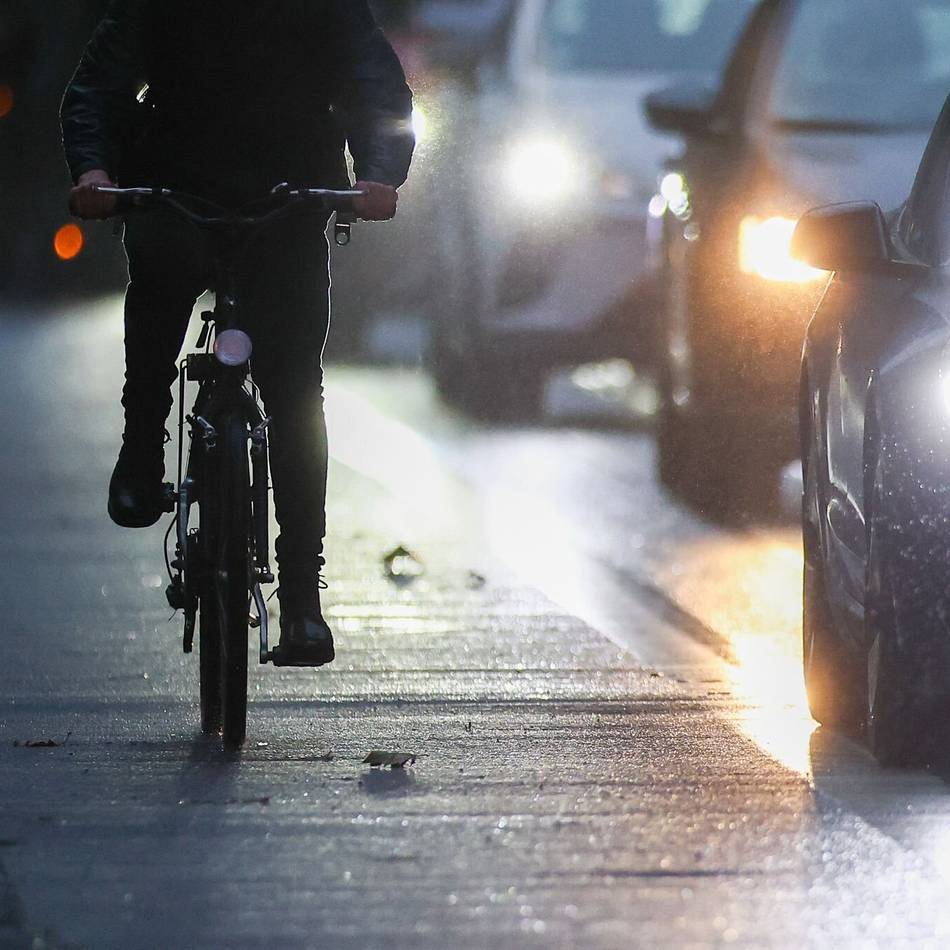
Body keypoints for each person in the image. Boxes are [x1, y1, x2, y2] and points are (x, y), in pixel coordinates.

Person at [61, 1, 414, 667]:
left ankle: (301, 596)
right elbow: (100, 84)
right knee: (158, 292)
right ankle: (142, 443)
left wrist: (378, 172)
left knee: (295, 391)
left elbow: (372, 81)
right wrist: (95, 171)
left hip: (288, 200)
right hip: (175, 188)